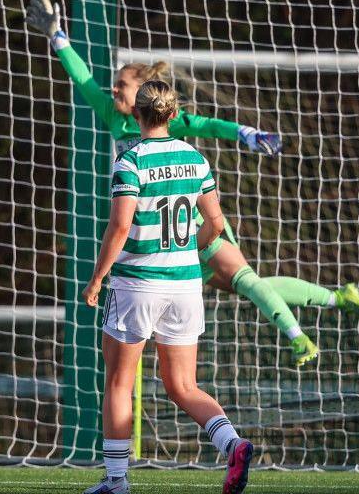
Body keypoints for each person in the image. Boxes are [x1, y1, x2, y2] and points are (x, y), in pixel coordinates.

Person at [25, 0, 359, 367]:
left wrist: (245, 133)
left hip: (191, 225)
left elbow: (207, 124)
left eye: (121, 85)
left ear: (142, 93)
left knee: (247, 282)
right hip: (167, 240)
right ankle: (338, 297)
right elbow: (82, 78)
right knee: (248, 286)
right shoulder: (114, 116)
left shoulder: (162, 121)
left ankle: (299, 338)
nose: (113, 90)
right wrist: (57, 36)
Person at [81, 79, 253, 494]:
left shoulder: (130, 160)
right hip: (185, 286)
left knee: (119, 382)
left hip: (137, 285)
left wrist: (98, 277)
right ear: (174, 115)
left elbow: (120, 227)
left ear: (137, 113)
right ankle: (233, 444)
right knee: (183, 386)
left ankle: (116, 481)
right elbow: (216, 222)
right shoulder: (195, 158)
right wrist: (193, 250)